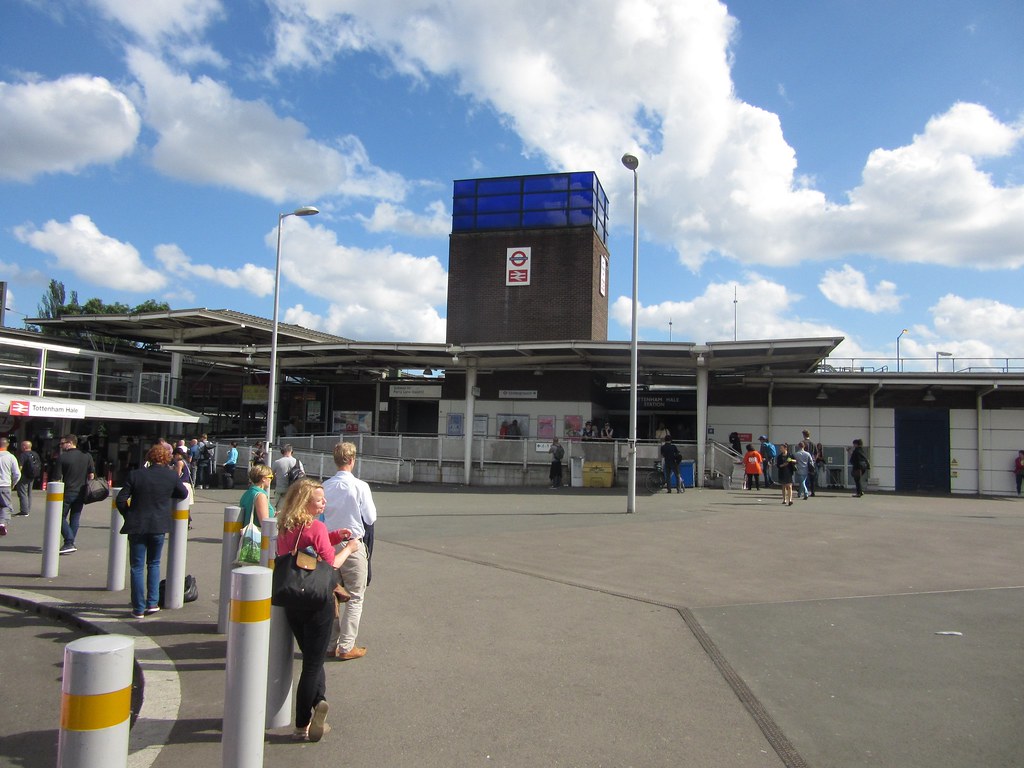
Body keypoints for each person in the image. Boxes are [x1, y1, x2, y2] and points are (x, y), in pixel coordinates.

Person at [276, 477, 360, 742]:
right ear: (306, 503)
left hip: (292, 598)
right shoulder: (316, 528)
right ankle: (303, 723)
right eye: (319, 500)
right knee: (312, 664)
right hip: (317, 600)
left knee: (312, 656)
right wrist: (349, 547)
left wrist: (335, 535)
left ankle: (319, 702)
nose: (325, 502)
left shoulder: (286, 526)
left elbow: (305, 554)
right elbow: (330, 564)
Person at [115, 444, 189, 618]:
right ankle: (152, 602)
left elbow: (120, 500)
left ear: (149, 457)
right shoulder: (170, 476)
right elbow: (183, 493)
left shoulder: (135, 475)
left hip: (137, 524)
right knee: (154, 563)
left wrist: (129, 515)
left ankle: (138, 607)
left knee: (137, 567)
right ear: (166, 459)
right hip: (159, 524)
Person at [322, 441, 377, 661]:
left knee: (331, 594)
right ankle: (346, 646)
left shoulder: (325, 486)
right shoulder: (360, 486)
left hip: (328, 543)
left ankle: (330, 643)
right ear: (353, 460)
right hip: (352, 543)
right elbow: (370, 517)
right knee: (355, 595)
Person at [53, 434, 95, 554]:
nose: (61, 446)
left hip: (67, 491)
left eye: (62, 443)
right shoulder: (87, 456)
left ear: (70, 443)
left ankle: (69, 541)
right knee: (75, 517)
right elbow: (91, 475)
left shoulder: (63, 458)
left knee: (59, 516)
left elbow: (57, 477)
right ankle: (70, 543)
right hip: (82, 491)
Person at [0, 438, 21, 536]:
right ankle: (2, 524)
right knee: (6, 506)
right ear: (7, 445)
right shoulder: (11, 457)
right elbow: (17, 473)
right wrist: (14, 483)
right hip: (5, 485)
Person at [15, 440, 41, 517]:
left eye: (22, 445)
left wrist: (16, 476)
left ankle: (24, 510)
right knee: (29, 493)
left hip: (24, 476)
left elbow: (20, 466)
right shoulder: (35, 454)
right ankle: (27, 509)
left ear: (24, 446)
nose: (21, 447)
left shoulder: (23, 455)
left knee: (22, 493)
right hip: (32, 475)